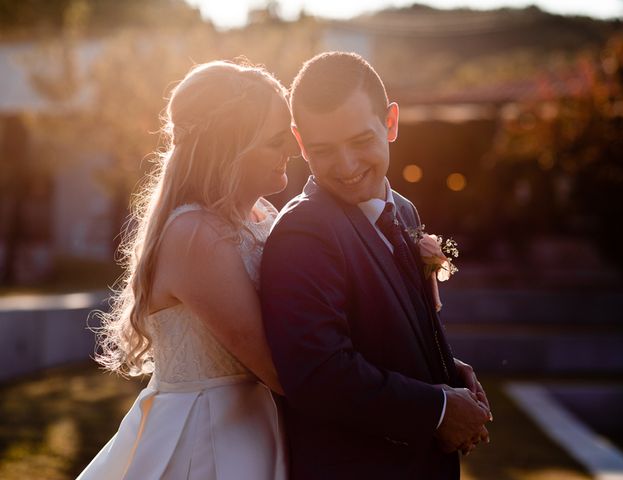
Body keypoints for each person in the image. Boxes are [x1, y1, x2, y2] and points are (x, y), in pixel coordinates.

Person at [260, 51, 492, 480]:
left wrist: (447, 368)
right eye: (322, 150)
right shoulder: (303, 234)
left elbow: (388, 332)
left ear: (390, 122)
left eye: (360, 141)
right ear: (299, 141)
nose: (346, 167)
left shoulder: (403, 211)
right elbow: (319, 375)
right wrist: (439, 410)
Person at [78, 60, 298, 480]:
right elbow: (277, 366)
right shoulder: (196, 235)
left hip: (258, 423)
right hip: (206, 437)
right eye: (275, 139)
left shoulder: (260, 216)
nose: (291, 147)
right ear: (229, 147)